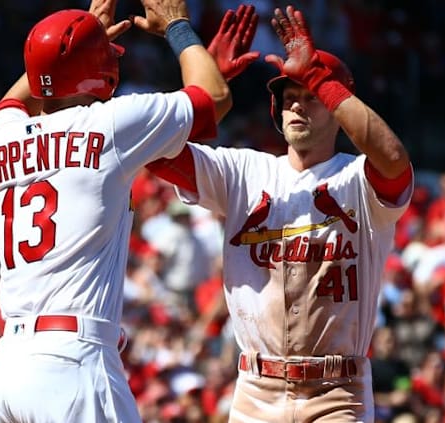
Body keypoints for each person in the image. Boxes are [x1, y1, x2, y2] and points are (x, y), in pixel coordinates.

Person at [0, 0, 240, 421]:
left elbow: (14, 100)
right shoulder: (108, 123)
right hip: (72, 358)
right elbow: (215, 97)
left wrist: (65, 52)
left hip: (6, 364)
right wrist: (178, 27)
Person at [147, 5, 413, 421]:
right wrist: (201, 83)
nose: (297, 107)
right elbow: (155, 154)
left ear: (337, 107)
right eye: (290, 98)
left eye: (312, 97)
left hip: (336, 392)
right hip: (256, 388)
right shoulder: (244, 171)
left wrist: (324, 81)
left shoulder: (359, 178)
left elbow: (394, 160)